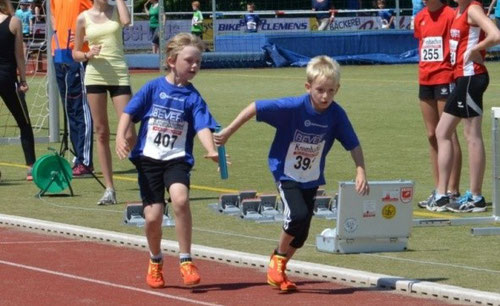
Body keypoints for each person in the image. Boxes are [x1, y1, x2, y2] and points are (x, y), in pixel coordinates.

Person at [214, 55, 369, 292]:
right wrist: (228, 132)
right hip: (285, 171)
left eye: (330, 91)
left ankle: (280, 268)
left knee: (303, 232)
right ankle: (277, 259)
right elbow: (255, 107)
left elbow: (353, 144)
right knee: (296, 214)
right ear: (308, 87)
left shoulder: (336, 114)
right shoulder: (292, 107)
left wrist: (361, 171)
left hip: (311, 176)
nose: (325, 96)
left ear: (337, 89)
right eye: (320, 90)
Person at [115, 33, 220, 289]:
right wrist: (120, 136)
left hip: (176, 159)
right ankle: (155, 260)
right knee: (153, 218)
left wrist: (211, 149)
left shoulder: (193, 98)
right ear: (172, 61)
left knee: (181, 200)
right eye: (189, 61)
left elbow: (203, 126)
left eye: (198, 62)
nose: (194, 66)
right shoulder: (153, 88)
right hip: (149, 159)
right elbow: (129, 112)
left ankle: (186, 260)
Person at [429, 0, 500, 213]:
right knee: (442, 132)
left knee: (470, 136)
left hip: (472, 77)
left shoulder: (473, 9)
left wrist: (476, 50)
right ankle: (442, 194)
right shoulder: (458, 11)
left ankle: (475, 196)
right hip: (463, 79)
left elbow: (495, 34)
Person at [72, 0, 135, 205]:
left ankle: (149, 175)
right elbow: (76, 52)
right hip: (95, 74)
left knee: (128, 130)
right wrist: (88, 54)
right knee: (101, 132)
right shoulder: (83, 18)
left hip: (118, 73)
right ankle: (110, 188)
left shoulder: (116, 10)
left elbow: (127, 21)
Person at [413, 0, 462, 209]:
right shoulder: (419, 17)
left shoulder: (451, 15)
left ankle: (452, 190)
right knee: (432, 135)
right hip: (425, 79)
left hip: (445, 78)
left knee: (448, 134)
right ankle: (438, 189)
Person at [50, 0, 94, 177]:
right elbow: (55, 20)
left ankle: (85, 160)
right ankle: (77, 156)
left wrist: (84, 43)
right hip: (59, 55)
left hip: (78, 56)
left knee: (80, 108)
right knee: (68, 107)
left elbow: (95, 18)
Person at [0, 0, 36, 180]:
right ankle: (31, 166)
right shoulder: (14, 21)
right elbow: (19, 55)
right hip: (6, 78)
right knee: (24, 122)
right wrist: (23, 80)